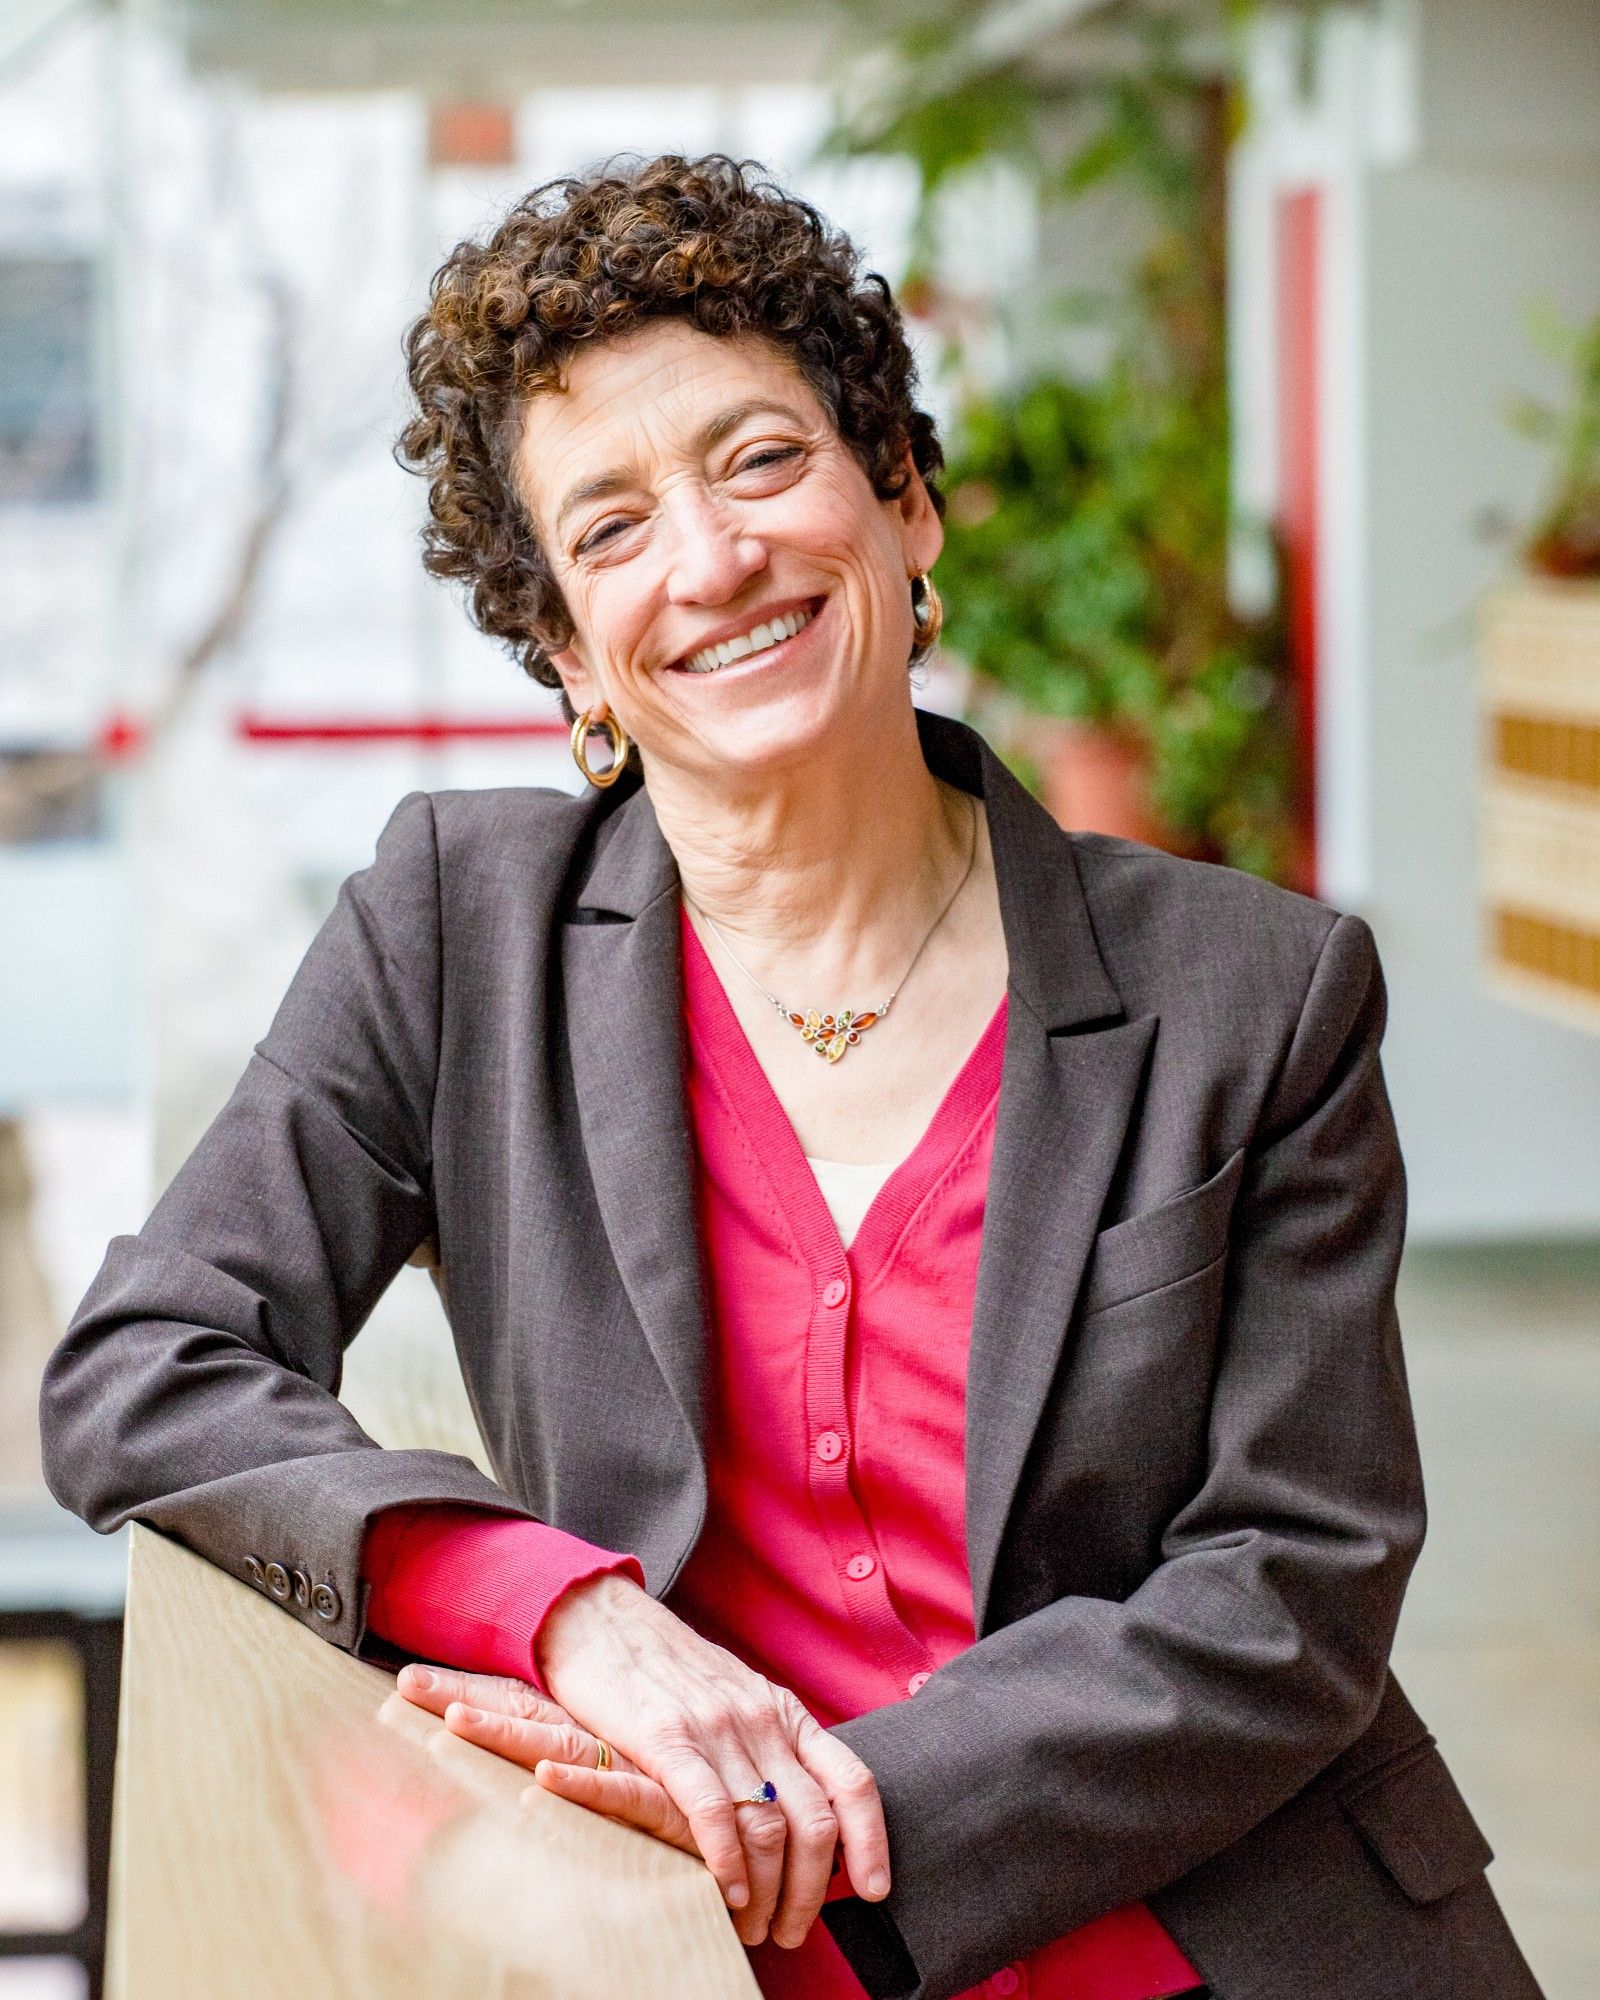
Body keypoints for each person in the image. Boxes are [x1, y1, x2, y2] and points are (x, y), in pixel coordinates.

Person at [39, 155, 1540, 2000]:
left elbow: (1289, 1591)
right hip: (683, 1950)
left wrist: (820, 1821)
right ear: (568, 657)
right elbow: (149, 1363)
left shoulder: (1256, 991)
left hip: (1218, 1944)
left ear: (904, 504)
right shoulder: (458, 934)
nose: (712, 557)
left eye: (761, 460)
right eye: (610, 529)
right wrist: (558, 1608)